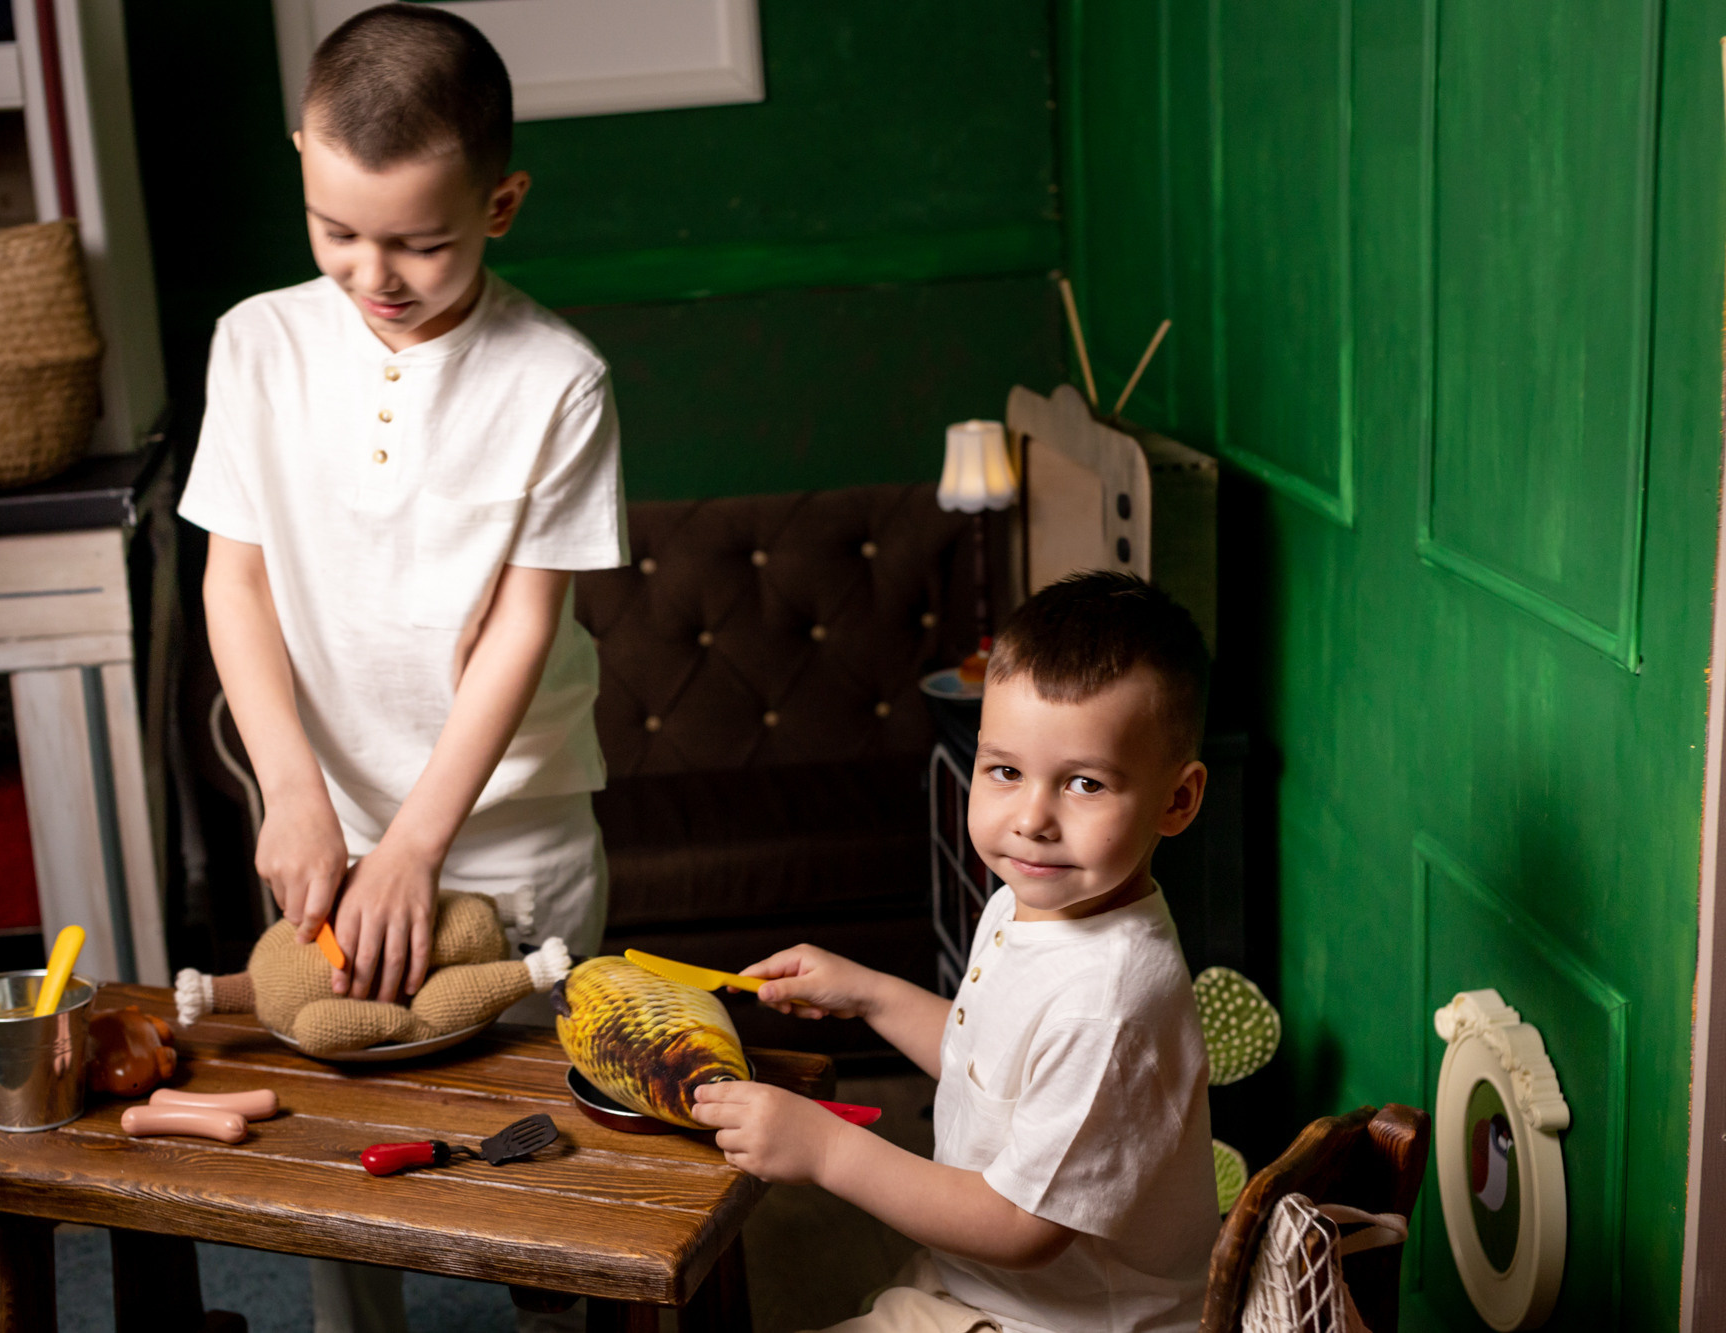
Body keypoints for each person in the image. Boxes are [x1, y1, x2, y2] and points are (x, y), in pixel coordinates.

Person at [179, 6, 624, 1329]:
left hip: (509, 835)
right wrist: (298, 798)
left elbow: (521, 629)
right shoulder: (256, 344)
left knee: (540, 1158)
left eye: (421, 242)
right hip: (335, 820)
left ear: (502, 202)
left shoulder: (559, 380)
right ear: (304, 161)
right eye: (337, 231)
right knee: (338, 1147)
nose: (373, 271)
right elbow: (235, 581)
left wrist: (420, 845)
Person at [694, 573, 1219, 1333]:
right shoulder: (1034, 900)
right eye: (1005, 770)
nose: (1032, 818)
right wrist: (871, 993)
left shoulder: (1107, 1004)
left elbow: (1019, 1225)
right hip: (974, 1282)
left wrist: (826, 1150)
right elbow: (996, 1064)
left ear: (1178, 800)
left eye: (1083, 783)